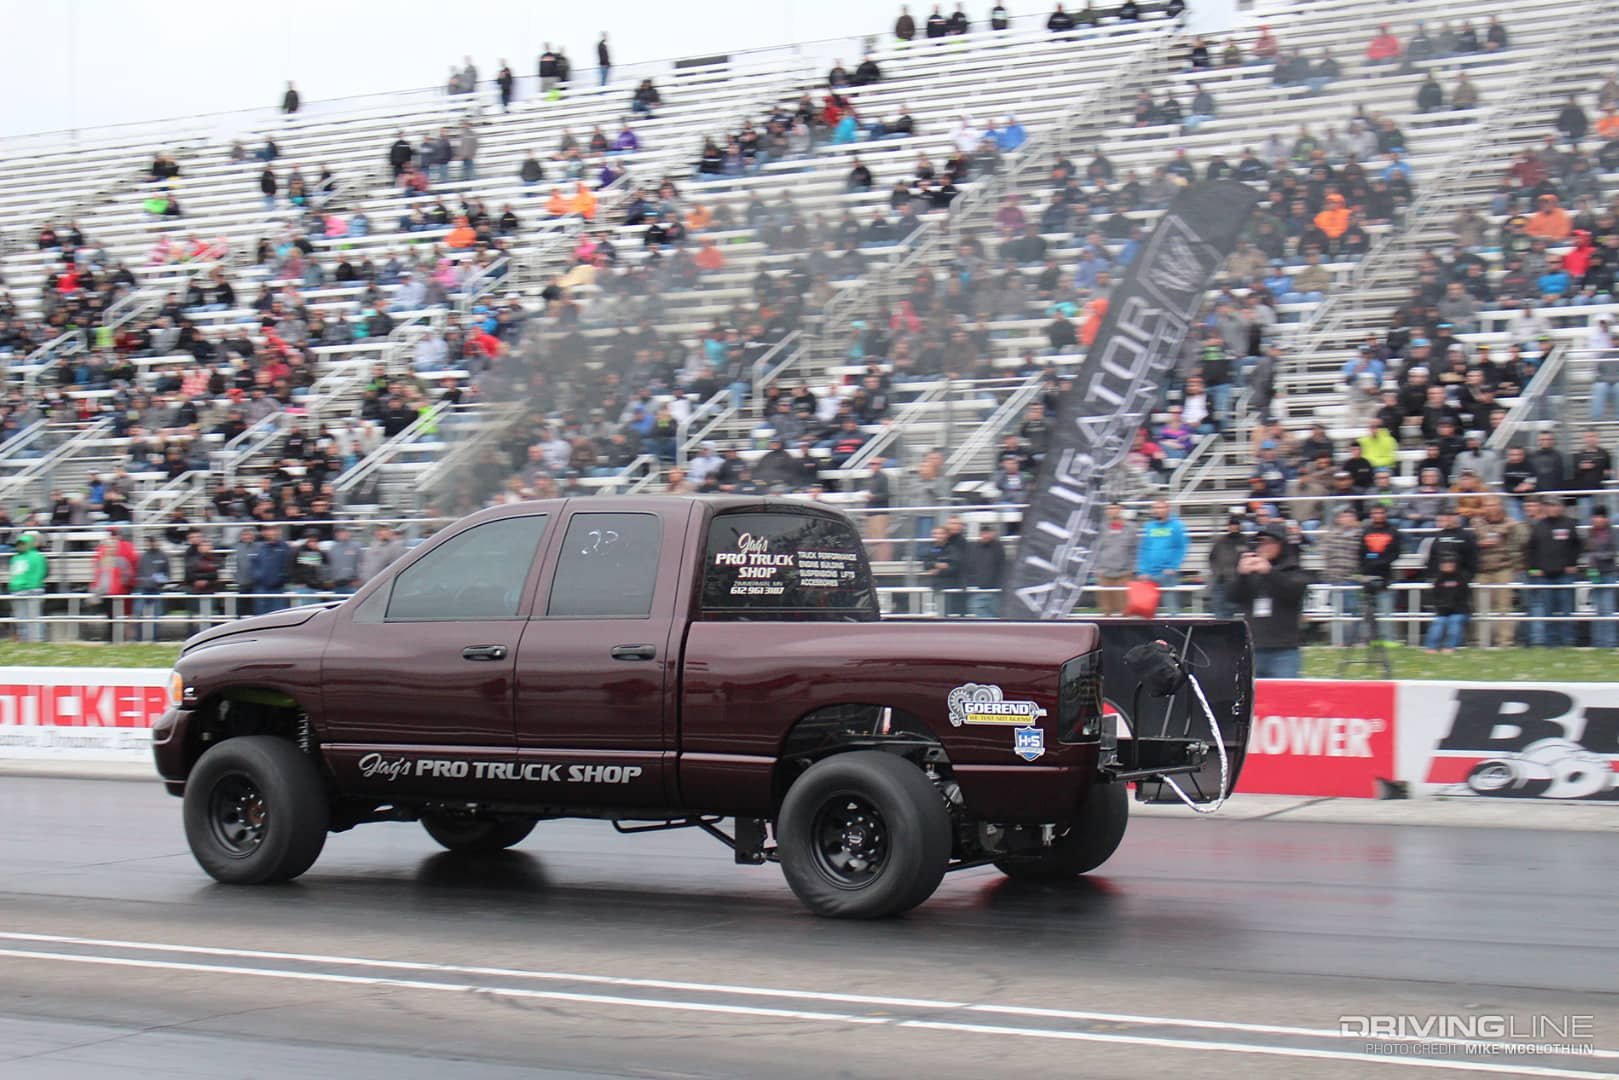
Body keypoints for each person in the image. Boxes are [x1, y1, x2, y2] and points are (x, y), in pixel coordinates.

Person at [1232, 523, 1309, 678]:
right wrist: (1241, 575)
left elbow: (1293, 592)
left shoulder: (1293, 570)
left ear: (1281, 544)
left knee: (1285, 696)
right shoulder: (1252, 572)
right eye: (1260, 542)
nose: (1263, 547)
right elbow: (1234, 597)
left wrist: (1269, 572)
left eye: (1268, 542)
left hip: (1283, 650)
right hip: (1254, 647)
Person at [1526, 493, 1581, 646]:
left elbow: (1577, 545)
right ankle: (1551, 642)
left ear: (1561, 507)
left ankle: (1568, 641)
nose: (1550, 508)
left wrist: (1572, 563)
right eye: (1548, 505)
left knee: (1566, 609)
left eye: (1554, 505)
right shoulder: (1539, 525)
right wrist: (1533, 569)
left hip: (1564, 574)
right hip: (1544, 575)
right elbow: (1531, 550)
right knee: (1547, 610)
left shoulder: (1569, 524)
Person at [1472, 495, 1527, 647]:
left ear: (1501, 506)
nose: (1492, 508)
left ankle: (1505, 642)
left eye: (1495, 504)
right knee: (1481, 606)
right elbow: (1488, 537)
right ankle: (1481, 640)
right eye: (1488, 505)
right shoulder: (1477, 521)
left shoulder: (1510, 520)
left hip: (1504, 568)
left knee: (1504, 607)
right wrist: (1504, 528)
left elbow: (1521, 537)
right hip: (1482, 569)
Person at [1357, 504, 1402, 641]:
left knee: (1386, 609)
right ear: (1371, 515)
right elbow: (1361, 553)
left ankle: (1388, 639)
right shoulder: (1365, 532)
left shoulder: (1393, 532)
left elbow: (1395, 553)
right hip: (1367, 575)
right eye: (1375, 513)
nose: (1378, 515)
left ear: (1385, 514)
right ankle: (1368, 639)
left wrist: (1378, 561)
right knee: (1367, 610)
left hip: (1385, 576)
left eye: (1380, 512)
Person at [1135, 499, 1188, 615]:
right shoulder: (1149, 527)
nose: (1158, 510)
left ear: (1168, 509)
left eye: (1161, 507)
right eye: (1155, 508)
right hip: (1149, 573)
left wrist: (1173, 566)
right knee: (1146, 610)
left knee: (1172, 608)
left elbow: (1181, 548)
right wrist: (1142, 570)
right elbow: (1144, 549)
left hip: (1167, 573)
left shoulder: (1176, 526)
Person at [1093, 503, 1136, 616]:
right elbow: (1096, 548)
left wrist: (1131, 568)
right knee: (1106, 609)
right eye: (1110, 508)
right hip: (1104, 572)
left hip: (1123, 572)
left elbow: (1134, 548)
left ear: (1121, 509)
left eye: (1115, 508)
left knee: (1125, 608)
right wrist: (1097, 567)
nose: (1112, 511)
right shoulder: (1101, 528)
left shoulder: (1130, 528)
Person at [1424, 554, 1472, 654]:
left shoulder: (1461, 578)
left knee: (1454, 621)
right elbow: (1435, 596)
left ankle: (1450, 646)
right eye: (1445, 564)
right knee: (1439, 622)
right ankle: (1431, 647)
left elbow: (1465, 596)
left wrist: (1453, 606)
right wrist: (1441, 607)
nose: (1447, 566)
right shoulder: (1439, 580)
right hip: (1443, 611)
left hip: (1460, 610)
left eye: (1450, 564)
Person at [7, 531, 47, 643]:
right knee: (21, 618)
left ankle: (37, 640)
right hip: (18, 589)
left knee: (34, 618)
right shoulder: (15, 558)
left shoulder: (37, 557)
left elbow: (40, 573)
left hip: (32, 589)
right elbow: (14, 573)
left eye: (23, 543)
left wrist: (31, 584)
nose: (20, 546)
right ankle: (25, 640)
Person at [1586, 507, 1617, 648]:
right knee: (1597, 609)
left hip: (1608, 573)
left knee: (1607, 609)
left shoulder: (1613, 533)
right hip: (1595, 575)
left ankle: (1610, 642)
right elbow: (1587, 551)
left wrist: (1597, 556)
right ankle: (1598, 642)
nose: (1596, 519)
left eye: (1599, 516)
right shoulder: (1590, 533)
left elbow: (1613, 552)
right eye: (1594, 516)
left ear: (1605, 518)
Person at [1206, 515, 1246, 619]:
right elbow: (1212, 558)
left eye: (1235, 524)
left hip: (1239, 585)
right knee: (1219, 615)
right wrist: (1217, 572)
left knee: (1236, 616)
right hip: (1220, 583)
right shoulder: (1220, 541)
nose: (1233, 527)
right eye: (1231, 525)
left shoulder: (1245, 541)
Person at [134, 535, 172, 642]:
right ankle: (138, 637)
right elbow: (138, 573)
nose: (151, 543)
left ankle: (156, 637)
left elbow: (168, 574)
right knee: (138, 612)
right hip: (143, 588)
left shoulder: (163, 556)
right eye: (149, 542)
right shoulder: (142, 557)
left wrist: (161, 582)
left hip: (157, 589)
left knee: (157, 614)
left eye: (153, 541)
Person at [964, 525, 1005, 618]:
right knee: (977, 608)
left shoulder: (998, 547)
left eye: (988, 533)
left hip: (994, 588)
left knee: (994, 612)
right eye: (984, 533)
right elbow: (970, 566)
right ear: (980, 534)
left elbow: (1001, 566)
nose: (986, 536)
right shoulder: (974, 548)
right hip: (979, 588)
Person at [251, 526, 292, 615]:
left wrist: (281, 578)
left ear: (278, 532)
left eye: (273, 530)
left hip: (278, 588)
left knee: (278, 615)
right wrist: (258, 577)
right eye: (269, 530)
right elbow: (254, 564)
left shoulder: (285, 547)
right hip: (261, 587)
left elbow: (288, 565)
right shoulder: (259, 548)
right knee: (261, 616)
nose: (271, 533)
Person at [925, 525, 964, 616]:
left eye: (941, 533)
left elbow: (954, 567)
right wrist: (937, 564)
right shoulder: (931, 549)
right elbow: (926, 564)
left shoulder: (953, 549)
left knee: (948, 614)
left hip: (949, 587)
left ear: (946, 535)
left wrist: (938, 571)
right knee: (936, 613)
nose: (938, 536)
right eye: (935, 533)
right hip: (935, 586)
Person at [185, 536, 220, 636]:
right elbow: (190, 574)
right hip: (195, 592)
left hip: (210, 591)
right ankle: (192, 635)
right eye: (203, 545)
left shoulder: (215, 560)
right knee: (195, 616)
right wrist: (203, 577)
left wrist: (205, 580)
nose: (205, 547)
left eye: (207, 545)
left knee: (211, 615)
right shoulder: (192, 560)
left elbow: (215, 575)